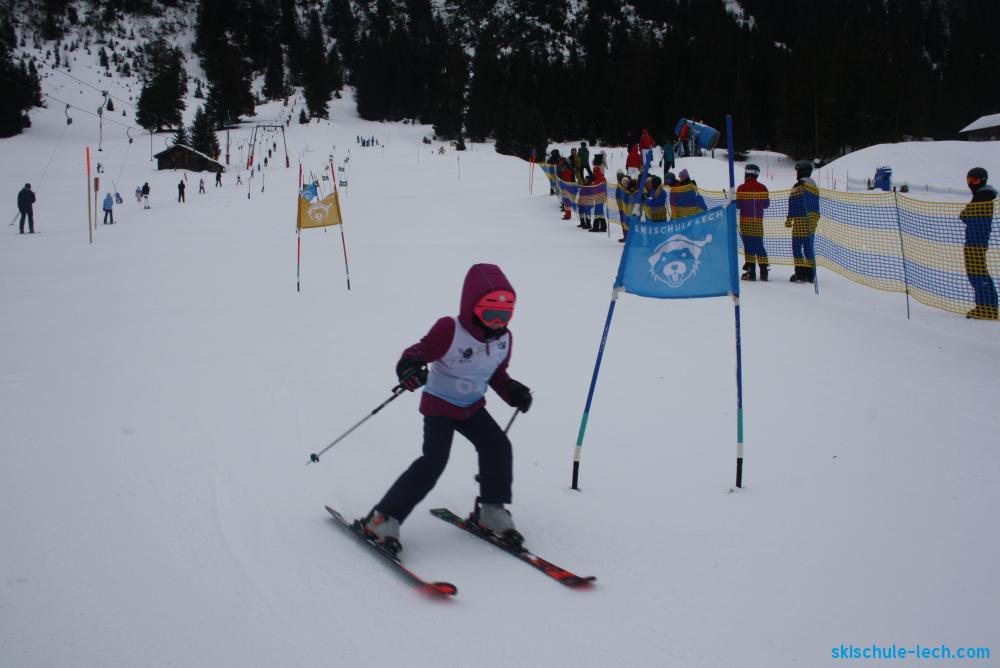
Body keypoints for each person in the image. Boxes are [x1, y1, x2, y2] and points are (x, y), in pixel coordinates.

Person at [361, 264, 533, 554]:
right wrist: (410, 369)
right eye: (490, 314)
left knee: (498, 447)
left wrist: (512, 390)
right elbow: (415, 354)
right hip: (440, 405)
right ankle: (383, 518)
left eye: (504, 316)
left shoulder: (504, 339)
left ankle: (491, 510)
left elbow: (495, 373)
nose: (497, 322)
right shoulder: (450, 329)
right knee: (434, 461)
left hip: (472, 407)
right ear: (472, 308)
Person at [960, 167, 998, 319]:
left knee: (978, 273)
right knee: (975, 273)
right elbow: (965, 214)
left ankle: (988, 308)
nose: (971, 184)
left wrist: (967, 215)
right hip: (974, 239)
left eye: (974, 180)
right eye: (969, 180)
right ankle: (985, 306)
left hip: (977, 240)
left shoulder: (983, 196)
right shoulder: (980, 195)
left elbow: (965, 215)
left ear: (982, 180)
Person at [785, 161, 820, 283]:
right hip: (812, 221)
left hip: (800, 221)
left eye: (798, 171)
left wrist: (789, 219)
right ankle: (811, 274)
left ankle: (801, 273)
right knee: (808, 247)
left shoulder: (798, 186)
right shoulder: (814, 186)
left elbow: (793, 203)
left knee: (796, 247)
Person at [736, 164, 771, 281]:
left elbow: (738, 205)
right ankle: (764, 271)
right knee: (759, 245)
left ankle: (751, 272)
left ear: (747, 173)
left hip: (745, 222)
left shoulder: (741, 188)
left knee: (749, 246)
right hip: (758, 222)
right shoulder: (762, 187)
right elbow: (766, 204)